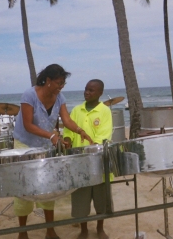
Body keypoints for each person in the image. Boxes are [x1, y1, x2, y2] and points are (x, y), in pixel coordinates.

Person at [13, 64, 93, 239]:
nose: (61, 87)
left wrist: (80, 131)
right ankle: (22, 232)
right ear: (47, 81)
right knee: (24, 188)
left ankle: (50, 230)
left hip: (46, 145)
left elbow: (66, 119)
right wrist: (51, 136)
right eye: (58, 83)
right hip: (25, 145)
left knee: (49, 186)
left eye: (63, 83)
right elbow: (28, 125)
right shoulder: (29, 95)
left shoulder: (59, 97)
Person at [63, 79, 113, 239]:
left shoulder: (105, 111)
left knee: (101, 198)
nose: (87, 92)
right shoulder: (77, 110)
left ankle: (100, 228)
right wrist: (68, 140)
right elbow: (69, 128)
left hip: (98, 161)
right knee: (81, 200)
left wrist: (92, 148)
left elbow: (104, 134)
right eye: (86, 89)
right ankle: (83, 229)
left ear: (100, 93)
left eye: (91, 90)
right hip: (79, 162)